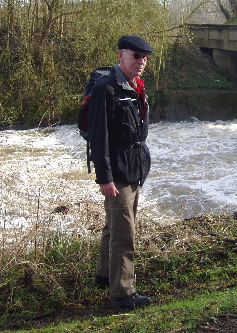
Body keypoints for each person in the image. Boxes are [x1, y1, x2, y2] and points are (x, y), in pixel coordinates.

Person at [87, 35, 153, 309]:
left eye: (145, 58)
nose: (141, 62)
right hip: (117, 172)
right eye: (136, 56)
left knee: (113, 226)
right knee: (125, 233)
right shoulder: (107, 88)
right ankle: (122, 293)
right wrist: (104, 178)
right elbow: (98, 136)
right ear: (121, 55)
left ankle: (105, 276)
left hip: (133, 167)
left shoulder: (135, 86)